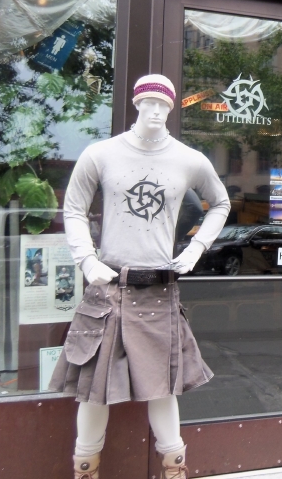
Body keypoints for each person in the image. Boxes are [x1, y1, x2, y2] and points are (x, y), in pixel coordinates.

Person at [49, 74, 231, 479]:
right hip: (107, 288)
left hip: (158, 289)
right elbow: (74, 209)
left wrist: (195, 249)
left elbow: (221, 203)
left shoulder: (189, 159)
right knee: (93, 391)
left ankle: (174, 469)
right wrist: (86, 260)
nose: (155, 110)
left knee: (163, 388)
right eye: (147, 102)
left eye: (162, 104)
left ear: (171, 108)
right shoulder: (100, 154)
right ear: (135, 104)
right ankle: (85, 471)